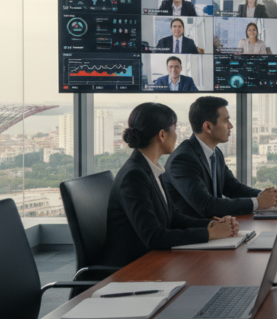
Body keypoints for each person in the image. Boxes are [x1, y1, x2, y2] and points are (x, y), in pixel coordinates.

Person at [98, 102, 239, 267]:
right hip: (132, 269)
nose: (177, 135)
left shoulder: (151, 169)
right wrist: (209, 233)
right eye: (175, 128)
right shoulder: (134, 176)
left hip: (154, 261)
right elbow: (154, 237)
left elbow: (174, 217)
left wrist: (212, 225)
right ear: (162, 135)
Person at [164, 97, 277, 218]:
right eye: (226, 121)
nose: (231, 126)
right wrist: (258, 202)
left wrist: (264, 195)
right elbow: (207, 205)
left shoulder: (215, 153)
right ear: (208, 127)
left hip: (217, 227)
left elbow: (233, 188)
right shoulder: (183, 160)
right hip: (195, 233)